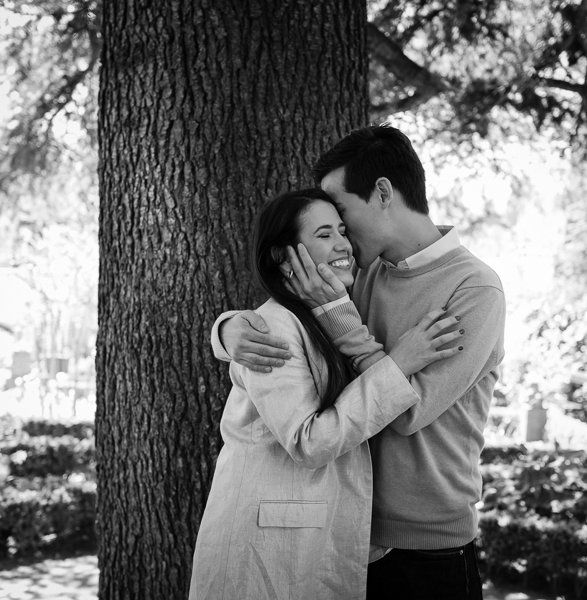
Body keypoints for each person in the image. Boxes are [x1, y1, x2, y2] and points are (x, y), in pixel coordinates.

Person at [213, 124, 506, 599]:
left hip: (429, 550)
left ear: (383, 193)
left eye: (343, 216)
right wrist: (227, 331)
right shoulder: (363, 276)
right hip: (348, 534)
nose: (343, 238)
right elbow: (296, 331)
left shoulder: (474, 289)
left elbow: (408, 413)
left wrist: (349, 327)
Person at [189, 188, 463, 600]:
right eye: (323, 234)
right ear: (284, 257)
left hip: (312, 539)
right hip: (265, 545)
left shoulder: (332, 311)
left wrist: (222, 330)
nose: (343, 244)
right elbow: (309, 442)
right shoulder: (273, 328)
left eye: (342, 230)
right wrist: (399, 364)